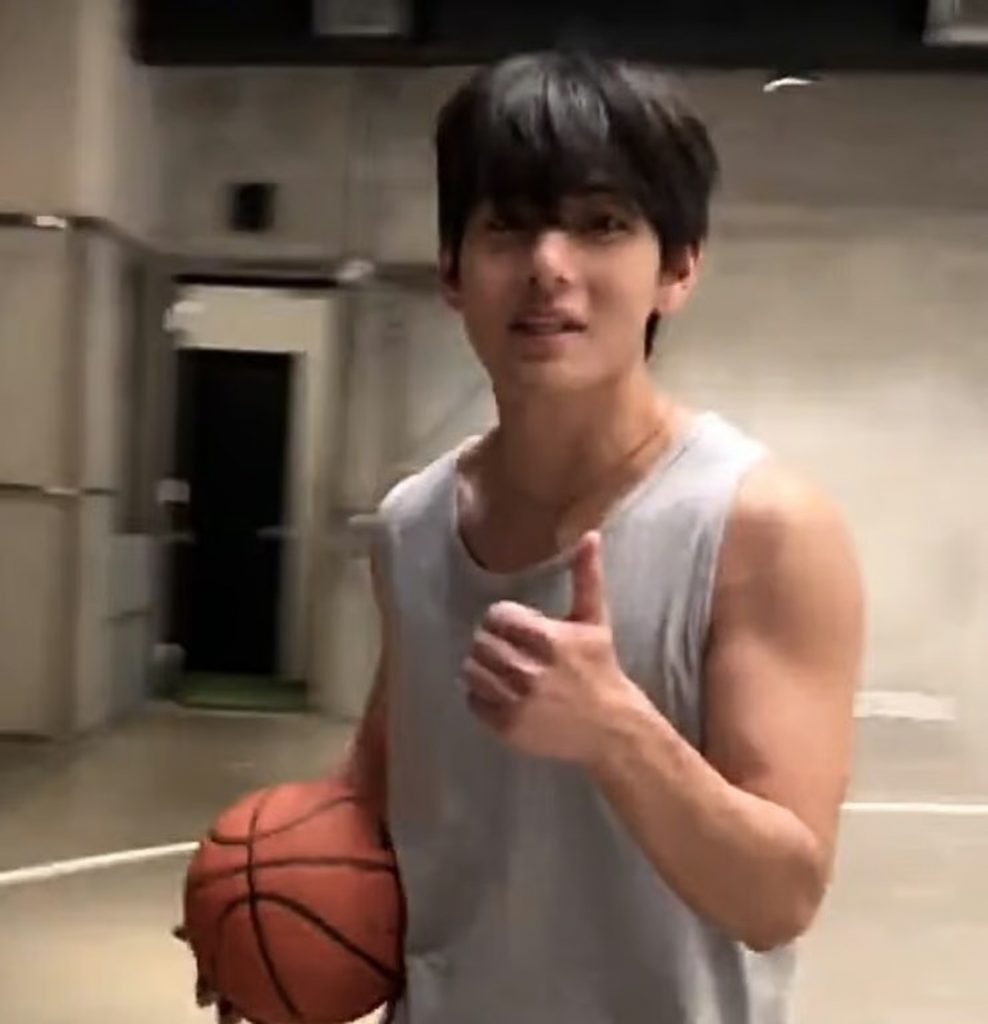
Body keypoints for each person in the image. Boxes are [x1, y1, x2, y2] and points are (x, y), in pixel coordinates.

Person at [192, 50, 863, 1024]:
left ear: (677, 268)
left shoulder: (760, 528)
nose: (549, 264)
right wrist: (254, 914)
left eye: (601, 224)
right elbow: (372, 805)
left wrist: (616, 731)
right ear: (453, 272)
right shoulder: (412, 525)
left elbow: (779, 898)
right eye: (507, 225)